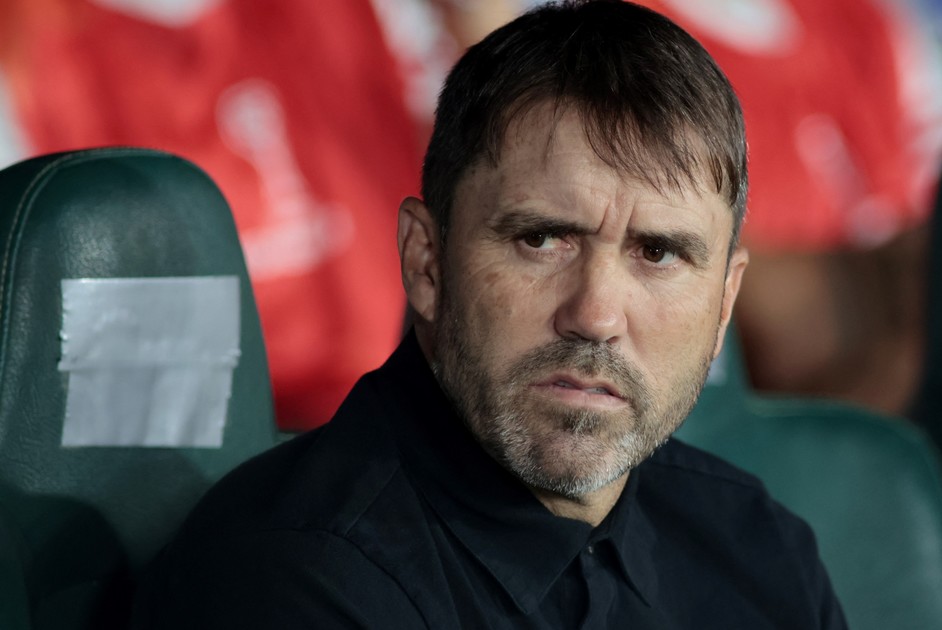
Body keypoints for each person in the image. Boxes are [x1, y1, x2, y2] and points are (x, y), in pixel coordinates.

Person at [133, 1, 847, 627]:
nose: (596, 315)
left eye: (658, 253)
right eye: (542, 240)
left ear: (724, 303)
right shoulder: (290, 581)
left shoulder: (760, 549)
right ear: (427, 263)